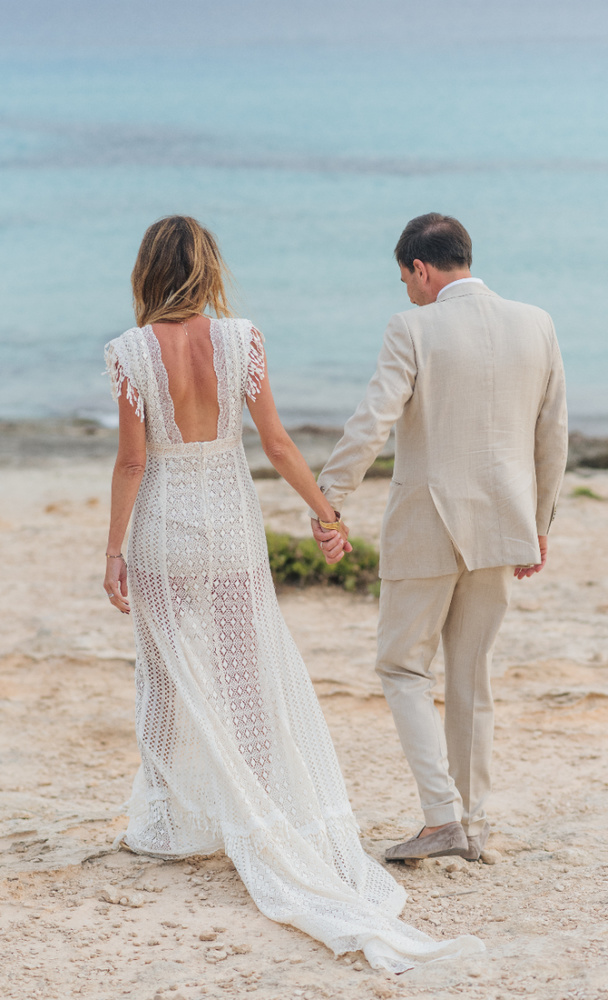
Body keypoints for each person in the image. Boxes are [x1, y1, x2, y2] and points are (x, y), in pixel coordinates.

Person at [102, 215, 483, 973]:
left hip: (164, 531)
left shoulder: (129, 352)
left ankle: (177, 823)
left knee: (168, 682)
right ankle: (261, 809)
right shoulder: (242, 339)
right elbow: (275, 443)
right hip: (230, 525)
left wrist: (113, 551)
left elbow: (131, 462)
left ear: (147, 271)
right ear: (208, 268)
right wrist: (326, 513)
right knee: (247, 676)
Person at [312, 213, 568, 863]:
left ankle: (440, 818)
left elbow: (373, 419)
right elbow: (552, 434)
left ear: (421, 270)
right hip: (504, 526)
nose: (407, 292)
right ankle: (473, 825)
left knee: (401, 667)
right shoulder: (536, 323)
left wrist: (329, 500)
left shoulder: (413, 327)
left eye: (405, 279)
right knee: (471, 678)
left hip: (427, 525)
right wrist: (539, 526)